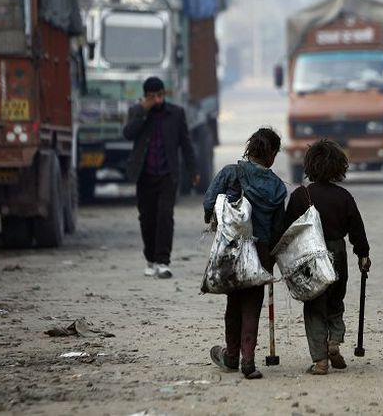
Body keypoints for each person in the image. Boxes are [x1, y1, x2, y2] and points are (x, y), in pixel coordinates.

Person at [203, 127, 287, 379]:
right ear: (271, 154)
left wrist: (215, 219)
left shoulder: (231, 173)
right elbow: (278, 228)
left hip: (232, 249)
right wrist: (271, 257)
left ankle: (230, 357)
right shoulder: (276, 186)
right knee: (252, 305)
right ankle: (247, 362)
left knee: (233, 303)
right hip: (260, 252)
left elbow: (209, 202)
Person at [283, 139, 371, 375]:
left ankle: (320, 361)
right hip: (338, 252)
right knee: (335, 300)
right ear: (338, 166)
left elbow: (287, 231)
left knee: (314, 306)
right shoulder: (344, 197)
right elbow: (357, 231)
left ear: (309, 165)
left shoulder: (301, 196)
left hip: (310, 256)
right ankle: (335, 340)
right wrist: (363, 254)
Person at [123, 77, 199, 279]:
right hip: (144, 175)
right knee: (147, 218)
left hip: (167, 175)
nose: (157, 100)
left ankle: (163, 261)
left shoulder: (176, 113)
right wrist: (142, 111)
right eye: (152, 97)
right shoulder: (137, 112)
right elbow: (128, 134)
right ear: (145, 97)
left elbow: (186, 143)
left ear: (164, 94)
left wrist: (193, 171)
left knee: (165, 216)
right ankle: (150, 259)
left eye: (160, 95)